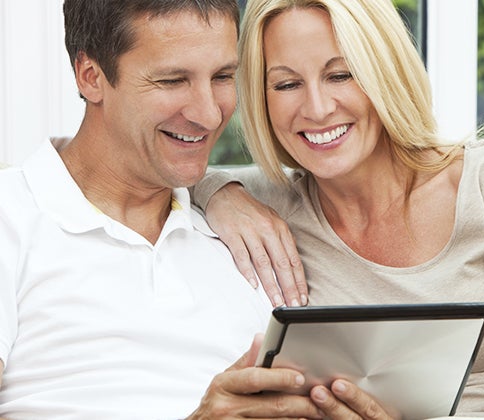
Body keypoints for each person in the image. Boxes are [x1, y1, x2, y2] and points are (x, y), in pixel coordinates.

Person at [195, 0, 484, 418]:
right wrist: (220, 194)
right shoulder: (272, 204)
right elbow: (169, 173)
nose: (317, 107)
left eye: (341, 75)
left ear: (384, 71)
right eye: (287, 84)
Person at [0, 1, 391, 418]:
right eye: (172, 80)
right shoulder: (13, 217)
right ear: (91, 77)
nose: (208, 113)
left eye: (223, 76)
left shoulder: (248, 234)